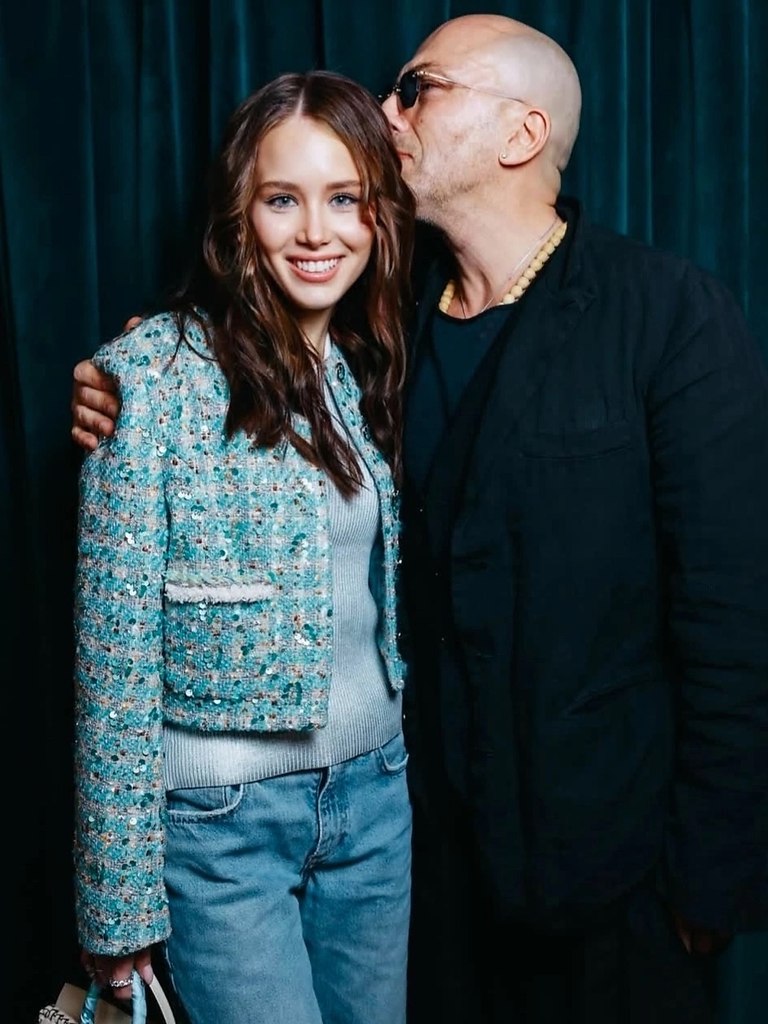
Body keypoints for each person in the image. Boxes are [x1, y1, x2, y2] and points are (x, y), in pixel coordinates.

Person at [71, 13, 768, 1024]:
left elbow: (733, 612)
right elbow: (251, 367)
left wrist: (713, 871)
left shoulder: (664, 313)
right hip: (422, 864)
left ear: (521, 133)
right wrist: (138, 375)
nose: (386, 111)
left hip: (605, 875)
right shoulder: (383, 327)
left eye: (418, 89)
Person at [70, 69, 415, 1024]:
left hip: (376, 801)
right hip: (221, 827)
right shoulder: (152, 376)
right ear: (240, 216)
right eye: (282, 200)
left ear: (378, 215)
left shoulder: (366, 367)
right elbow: (113, 656)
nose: (316, 232)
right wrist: (115, 904)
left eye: (344, 198)